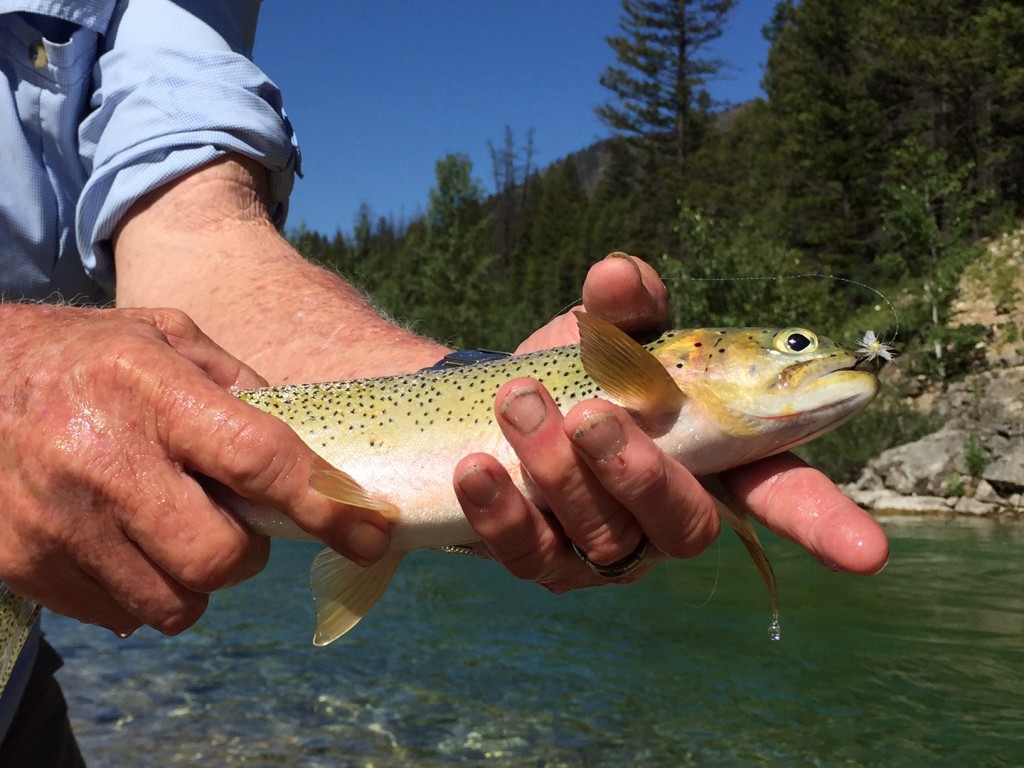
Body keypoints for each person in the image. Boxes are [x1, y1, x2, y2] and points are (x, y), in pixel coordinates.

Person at [0, 2, 889, 765]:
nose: (811, 358)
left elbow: (192, 237)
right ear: (683, 357)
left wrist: (462, 383)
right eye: (794, 344)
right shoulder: (650, 373)